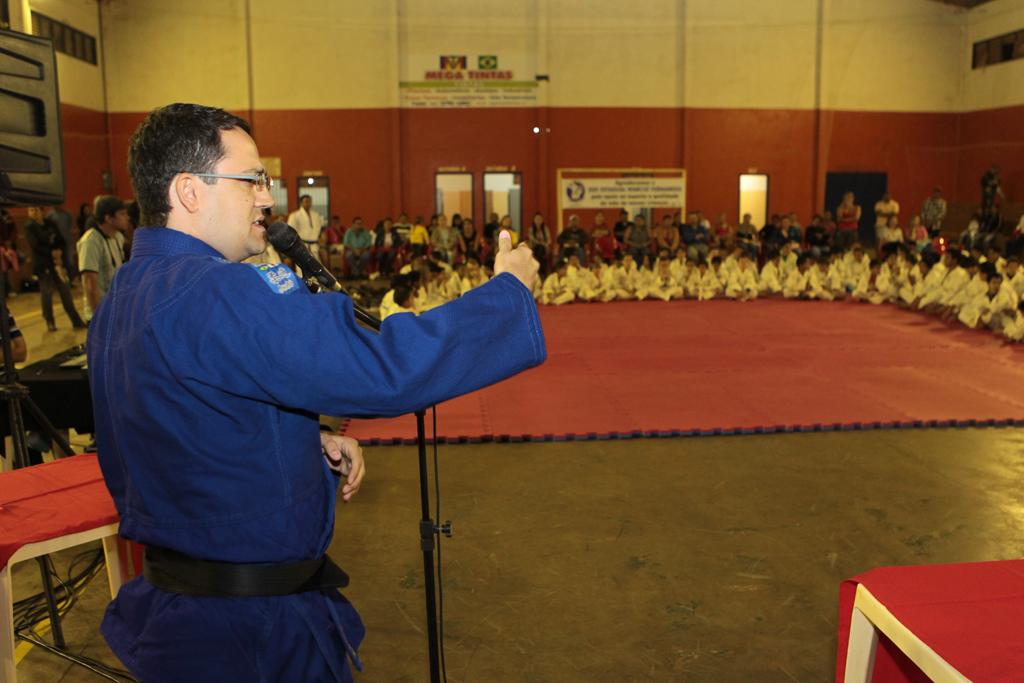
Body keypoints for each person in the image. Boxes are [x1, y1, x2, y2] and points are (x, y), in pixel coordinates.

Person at [87, 103, 545, 683]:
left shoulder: (128, 293)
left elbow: (178, 423)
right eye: (251, 179)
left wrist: (304, 439)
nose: (266, 198)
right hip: (251, 633)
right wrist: (506, 295)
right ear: (189, 191)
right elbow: (381, 368)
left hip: (184, 615)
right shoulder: (219, 293)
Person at [24, 206, 87, 331]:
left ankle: (75, 320)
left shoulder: (50, 223)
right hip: (43, 264)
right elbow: (35, 245)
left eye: (36, 210)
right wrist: (51, 253)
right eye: (31, 210)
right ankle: (49, 321)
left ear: (42, 211)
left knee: (65, 291)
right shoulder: (29, 226)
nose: (33, 213)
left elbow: (60, 240)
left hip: (57, 263)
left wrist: (59, 252)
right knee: (46, 293)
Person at [77, 195, 128, 320]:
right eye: (122, 214)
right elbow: (89, 283)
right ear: (108, 218)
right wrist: (100, 318)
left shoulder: (118, 237)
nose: (127, 218)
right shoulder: (91, 241)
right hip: (102, 315)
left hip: (116, 311)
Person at [288, 194, 324, 261]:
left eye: (310, 202)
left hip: (314, 245)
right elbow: (290, 231)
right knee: (302, 266)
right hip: (301, 245)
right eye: (306, 202)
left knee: (316, 266)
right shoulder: (294, 215)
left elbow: (319, 228)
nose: (309, 204)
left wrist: (321, 236)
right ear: (301, 203)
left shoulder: (316, 215)